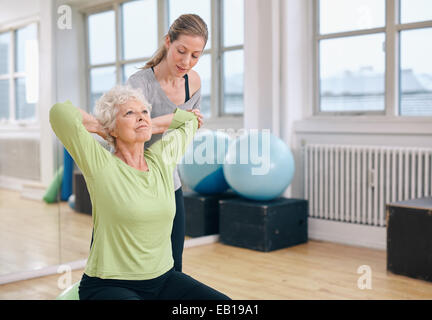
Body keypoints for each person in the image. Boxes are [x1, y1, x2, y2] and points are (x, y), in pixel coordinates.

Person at [49, 85, 230, 300]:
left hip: (164, 280)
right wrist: (101, 128)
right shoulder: (100, 164)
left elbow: (190, 121)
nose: (141, 117)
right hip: (109, 285)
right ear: (113, 129)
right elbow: (59, 113)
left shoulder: (161, 160)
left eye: (144, 112)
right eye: (129, 113)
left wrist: (148, 126)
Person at [126, 14, 207, 272]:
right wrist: (178, 119)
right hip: (134, 183)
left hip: (168, 181)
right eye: (181, 51)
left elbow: (182, 135)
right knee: (130, 261)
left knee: (174, 264)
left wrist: (189, 123)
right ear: (168, 42)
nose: (186, 62)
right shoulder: (139, 84)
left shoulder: (192, 83)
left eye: (195, 55)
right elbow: (133, 133)